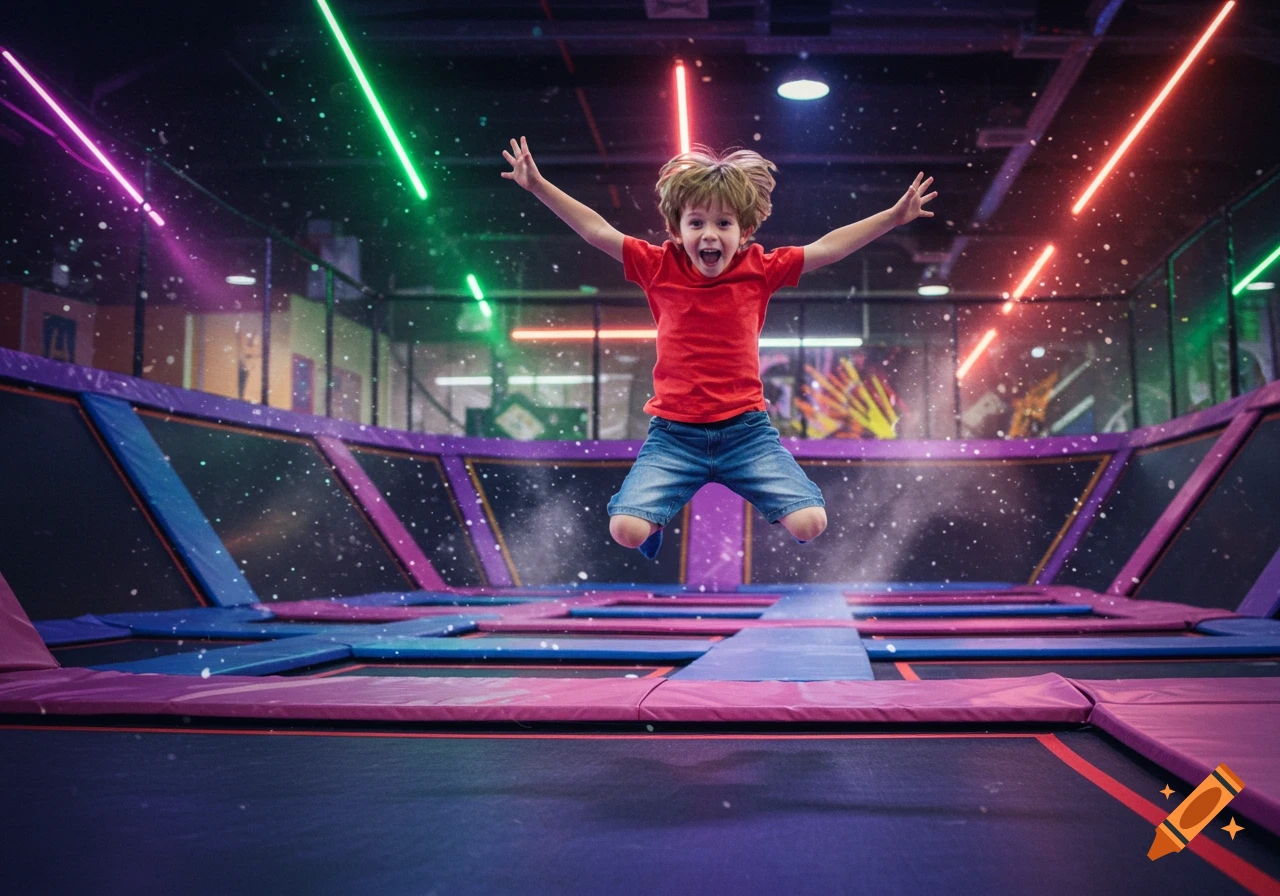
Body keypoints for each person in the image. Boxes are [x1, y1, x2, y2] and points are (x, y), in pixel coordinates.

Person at [502, 136, 935, 559]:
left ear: (744, 230)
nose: (710, 235)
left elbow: (828, 248)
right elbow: (597, 231)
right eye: (697, 223)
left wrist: (892, 218)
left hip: (746, 434)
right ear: (676, 230)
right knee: (625, 531)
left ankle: (775, 505)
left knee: (811, 524)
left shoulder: (760, 269)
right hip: (675, 437)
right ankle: (650, 518)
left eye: (723, 223)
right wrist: (539, 185)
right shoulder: (658, 266)